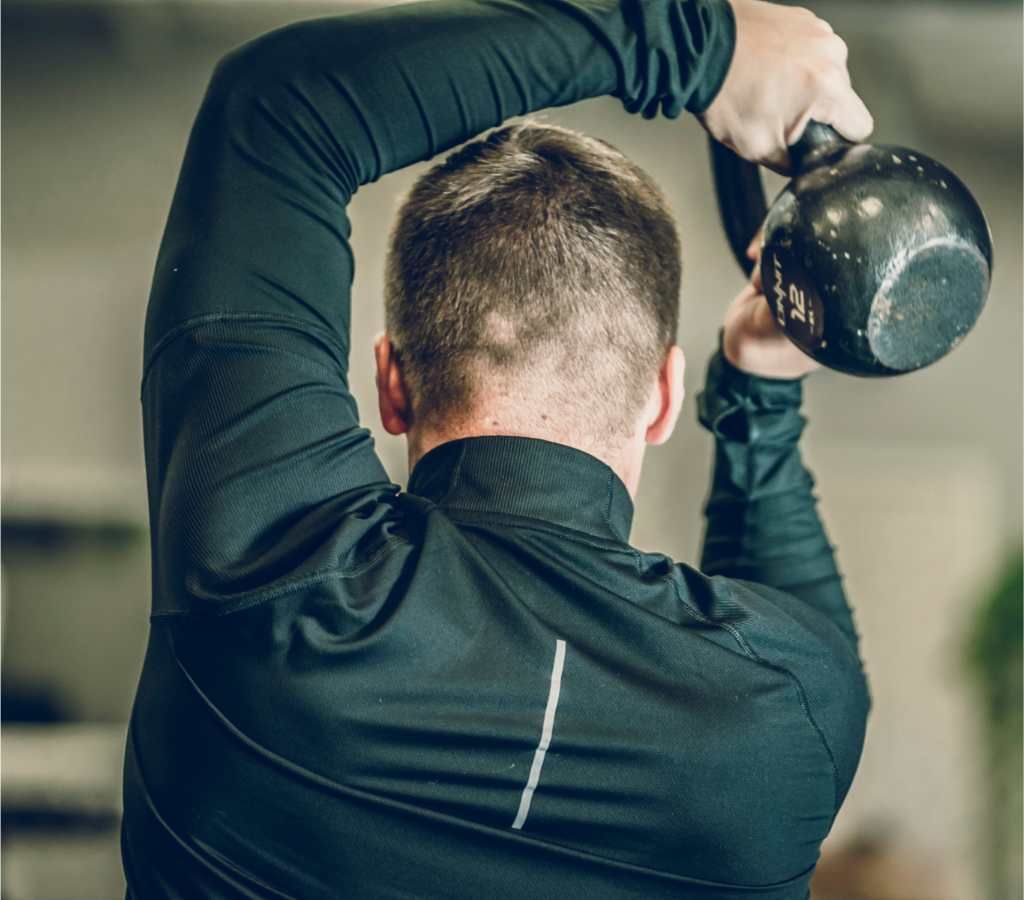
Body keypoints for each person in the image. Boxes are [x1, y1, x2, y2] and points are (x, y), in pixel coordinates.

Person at [122, 0, 874, 897]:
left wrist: (701, 47)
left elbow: (279, 107)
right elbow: (815, 640)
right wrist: (759, 393)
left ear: (391, 382)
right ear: (665, 397)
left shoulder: (277, 575)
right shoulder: (783, 714)